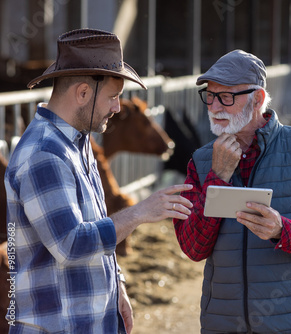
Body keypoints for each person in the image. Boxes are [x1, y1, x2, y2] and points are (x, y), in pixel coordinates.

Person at [4, 29, 193, 334]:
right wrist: (139, 212)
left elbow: (95, 223)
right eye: (113, 97)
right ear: (82, 93)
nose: (118, 108)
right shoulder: (45, 155)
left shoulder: (78, 143)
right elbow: (71, 244)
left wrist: (116, 284)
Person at [173, 49, 291, 333]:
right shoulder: (201, 161)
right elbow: (193, 248)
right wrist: (219, 177)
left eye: (226, 97)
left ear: (258, 99)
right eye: (211, 96)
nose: (214, 107)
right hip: (222, 323)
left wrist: (281, 230)